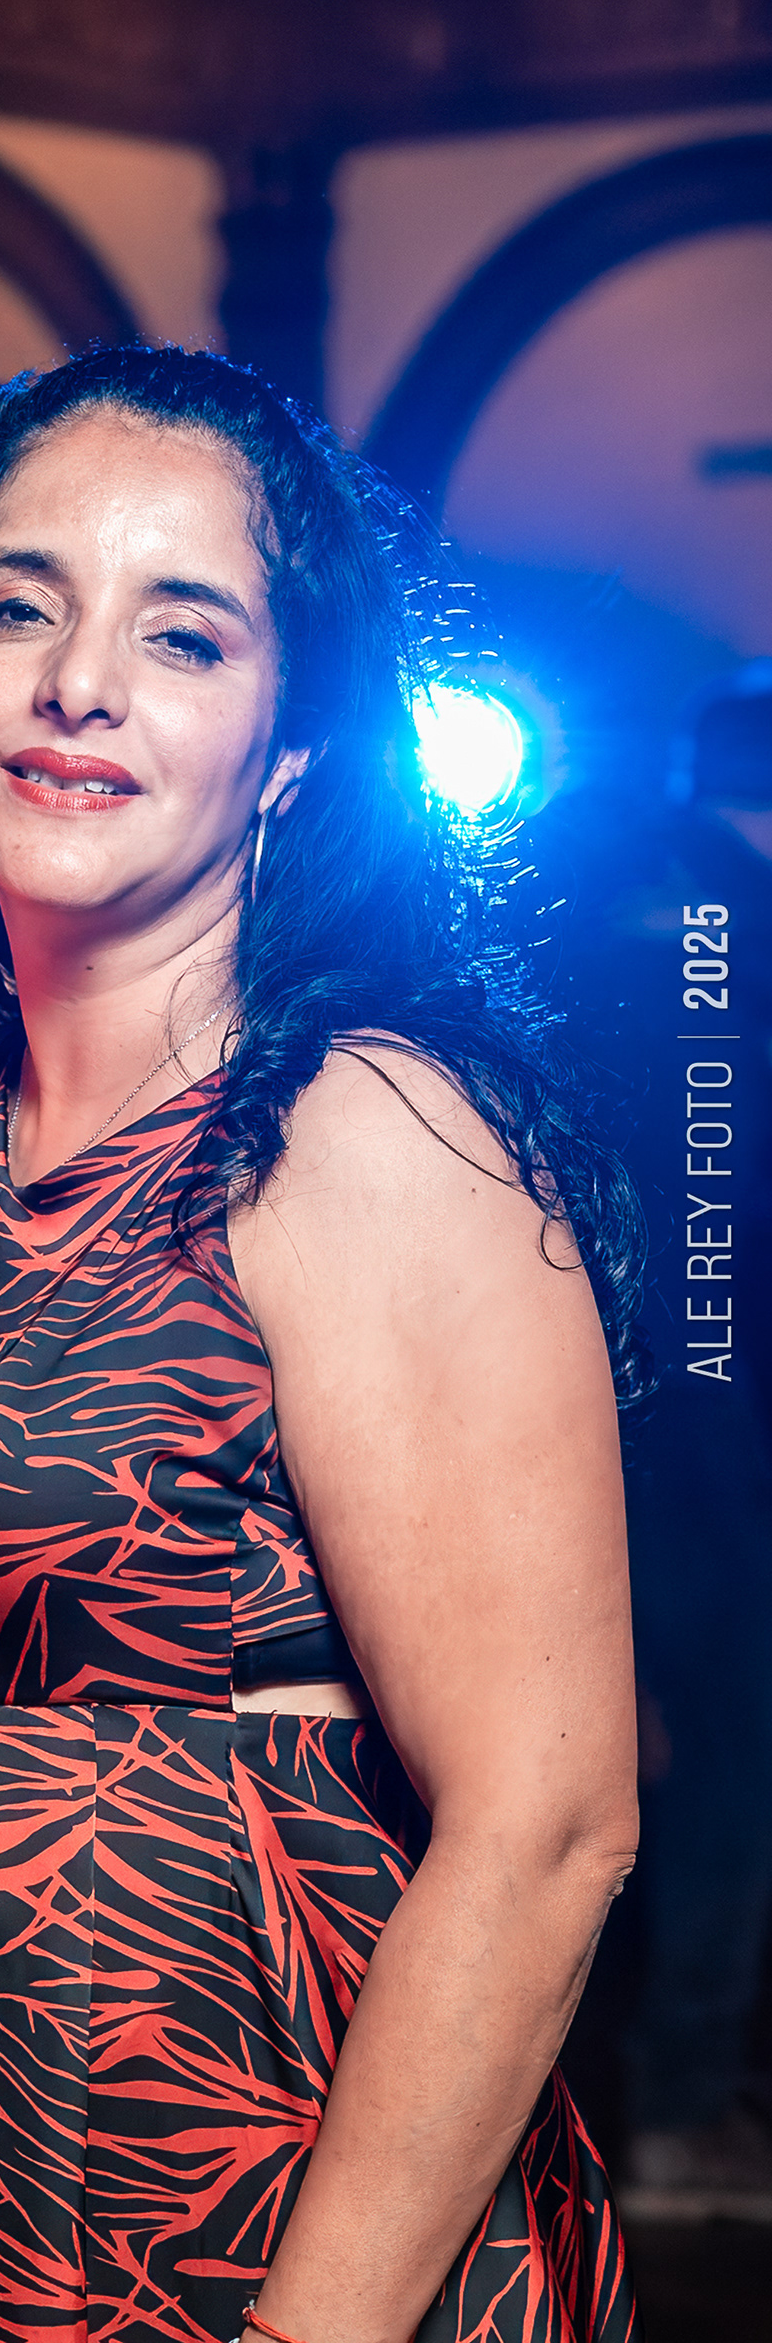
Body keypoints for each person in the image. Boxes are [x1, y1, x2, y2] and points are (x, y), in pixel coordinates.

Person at [0, 347, 643, 2343]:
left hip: (245, 2176)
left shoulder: (356, 1127)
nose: (80, 685)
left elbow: (547, 1825)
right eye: (19, 609)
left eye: (184, 635)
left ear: (291, 747)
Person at [533, 661, 772, 2216]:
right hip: (694, 1407)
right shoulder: (728, 918)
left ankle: (586, 2098)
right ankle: (677, 2101)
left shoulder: (582, 877)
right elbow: (719, 1200)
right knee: (723, 1745)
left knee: (567, 1754)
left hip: (577, 1394)